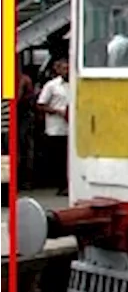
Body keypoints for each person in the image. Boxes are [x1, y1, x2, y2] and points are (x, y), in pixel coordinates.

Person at [36, 58, 71, 196]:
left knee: (69, 158)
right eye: (64, 68)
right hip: (56, 128)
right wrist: (57, 111)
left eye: (68, 68)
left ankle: (70, 185)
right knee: (59, 158)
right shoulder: (51, 86)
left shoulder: (74, 83)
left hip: (73, 128)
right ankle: (61, 185)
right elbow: (40, 104)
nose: (67, 71)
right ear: (57, 70)